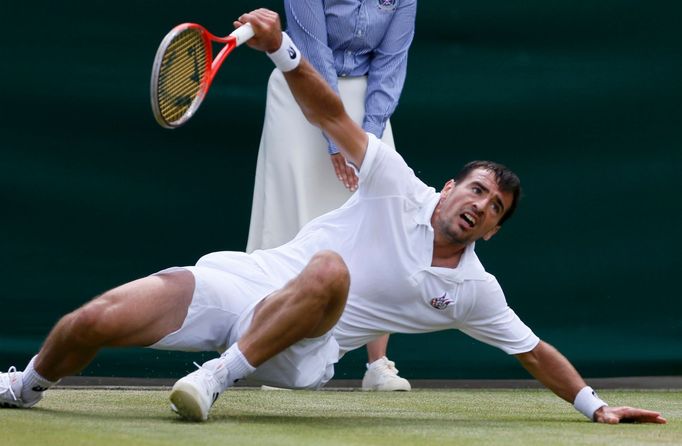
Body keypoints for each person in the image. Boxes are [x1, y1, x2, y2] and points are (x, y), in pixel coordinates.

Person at [0, 9, 666, 426]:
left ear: (492, 232)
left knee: (328, 270)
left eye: (494, 209)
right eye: (477, 190)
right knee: (92, 321)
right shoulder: (394, 184)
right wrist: (284, 50)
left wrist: (595, 405)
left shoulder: (472, 290)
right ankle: (25, 386)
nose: (479, 205)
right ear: (445, 189)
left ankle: (213, 379)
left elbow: (534, 352)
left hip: (302, 350)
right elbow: (328, 114)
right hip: (243, 285)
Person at [246, 0, 417, 391]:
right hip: (300, 93)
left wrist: (366, 141)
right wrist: (333, 136)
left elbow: (392, 60)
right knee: (293, 221)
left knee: (380, 225)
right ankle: (277, 360)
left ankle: (378, 365)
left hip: (369, 110)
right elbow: (312, 50)